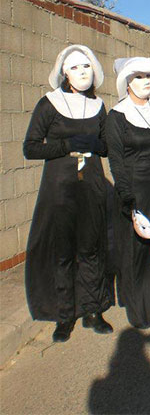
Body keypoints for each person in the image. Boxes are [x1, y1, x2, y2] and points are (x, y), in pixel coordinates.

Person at [23, 44, 113, 342]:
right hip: (59, 190)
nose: (81, 72)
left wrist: (94, 144)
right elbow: (31, 147)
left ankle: (93, 310)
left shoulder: (99, 106)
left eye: (86, 66)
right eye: (74, 67)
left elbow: (107, 144)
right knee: (62, 252)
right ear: (64, 71)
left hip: (92, 187)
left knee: (91, 249)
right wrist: (65, 146)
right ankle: (65, 315)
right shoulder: (49, 104)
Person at [106, 57, 150, 329]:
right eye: (138, 77)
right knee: (140, 250)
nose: (145, 82)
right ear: (127, 82)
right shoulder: (117, 116)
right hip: (137, 191)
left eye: (148, 77)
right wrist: (130, 202)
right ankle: (144, 307)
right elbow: (117, 162)